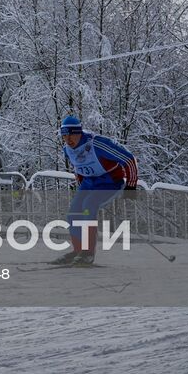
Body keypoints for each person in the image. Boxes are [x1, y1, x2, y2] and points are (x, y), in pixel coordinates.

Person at [55, 114, 139, 266]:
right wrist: (81, 184)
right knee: (73, 213)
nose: (68, 140)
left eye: (71, 135)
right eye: (64, 136)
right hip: (89, 184)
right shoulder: (67, 150)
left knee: (89, 205)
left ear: (79, 132)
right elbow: (78, 168)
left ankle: (88, 253)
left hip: (110, 182)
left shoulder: (97, 144)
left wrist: (131, 186)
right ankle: (78, 251)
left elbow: (129, 159)